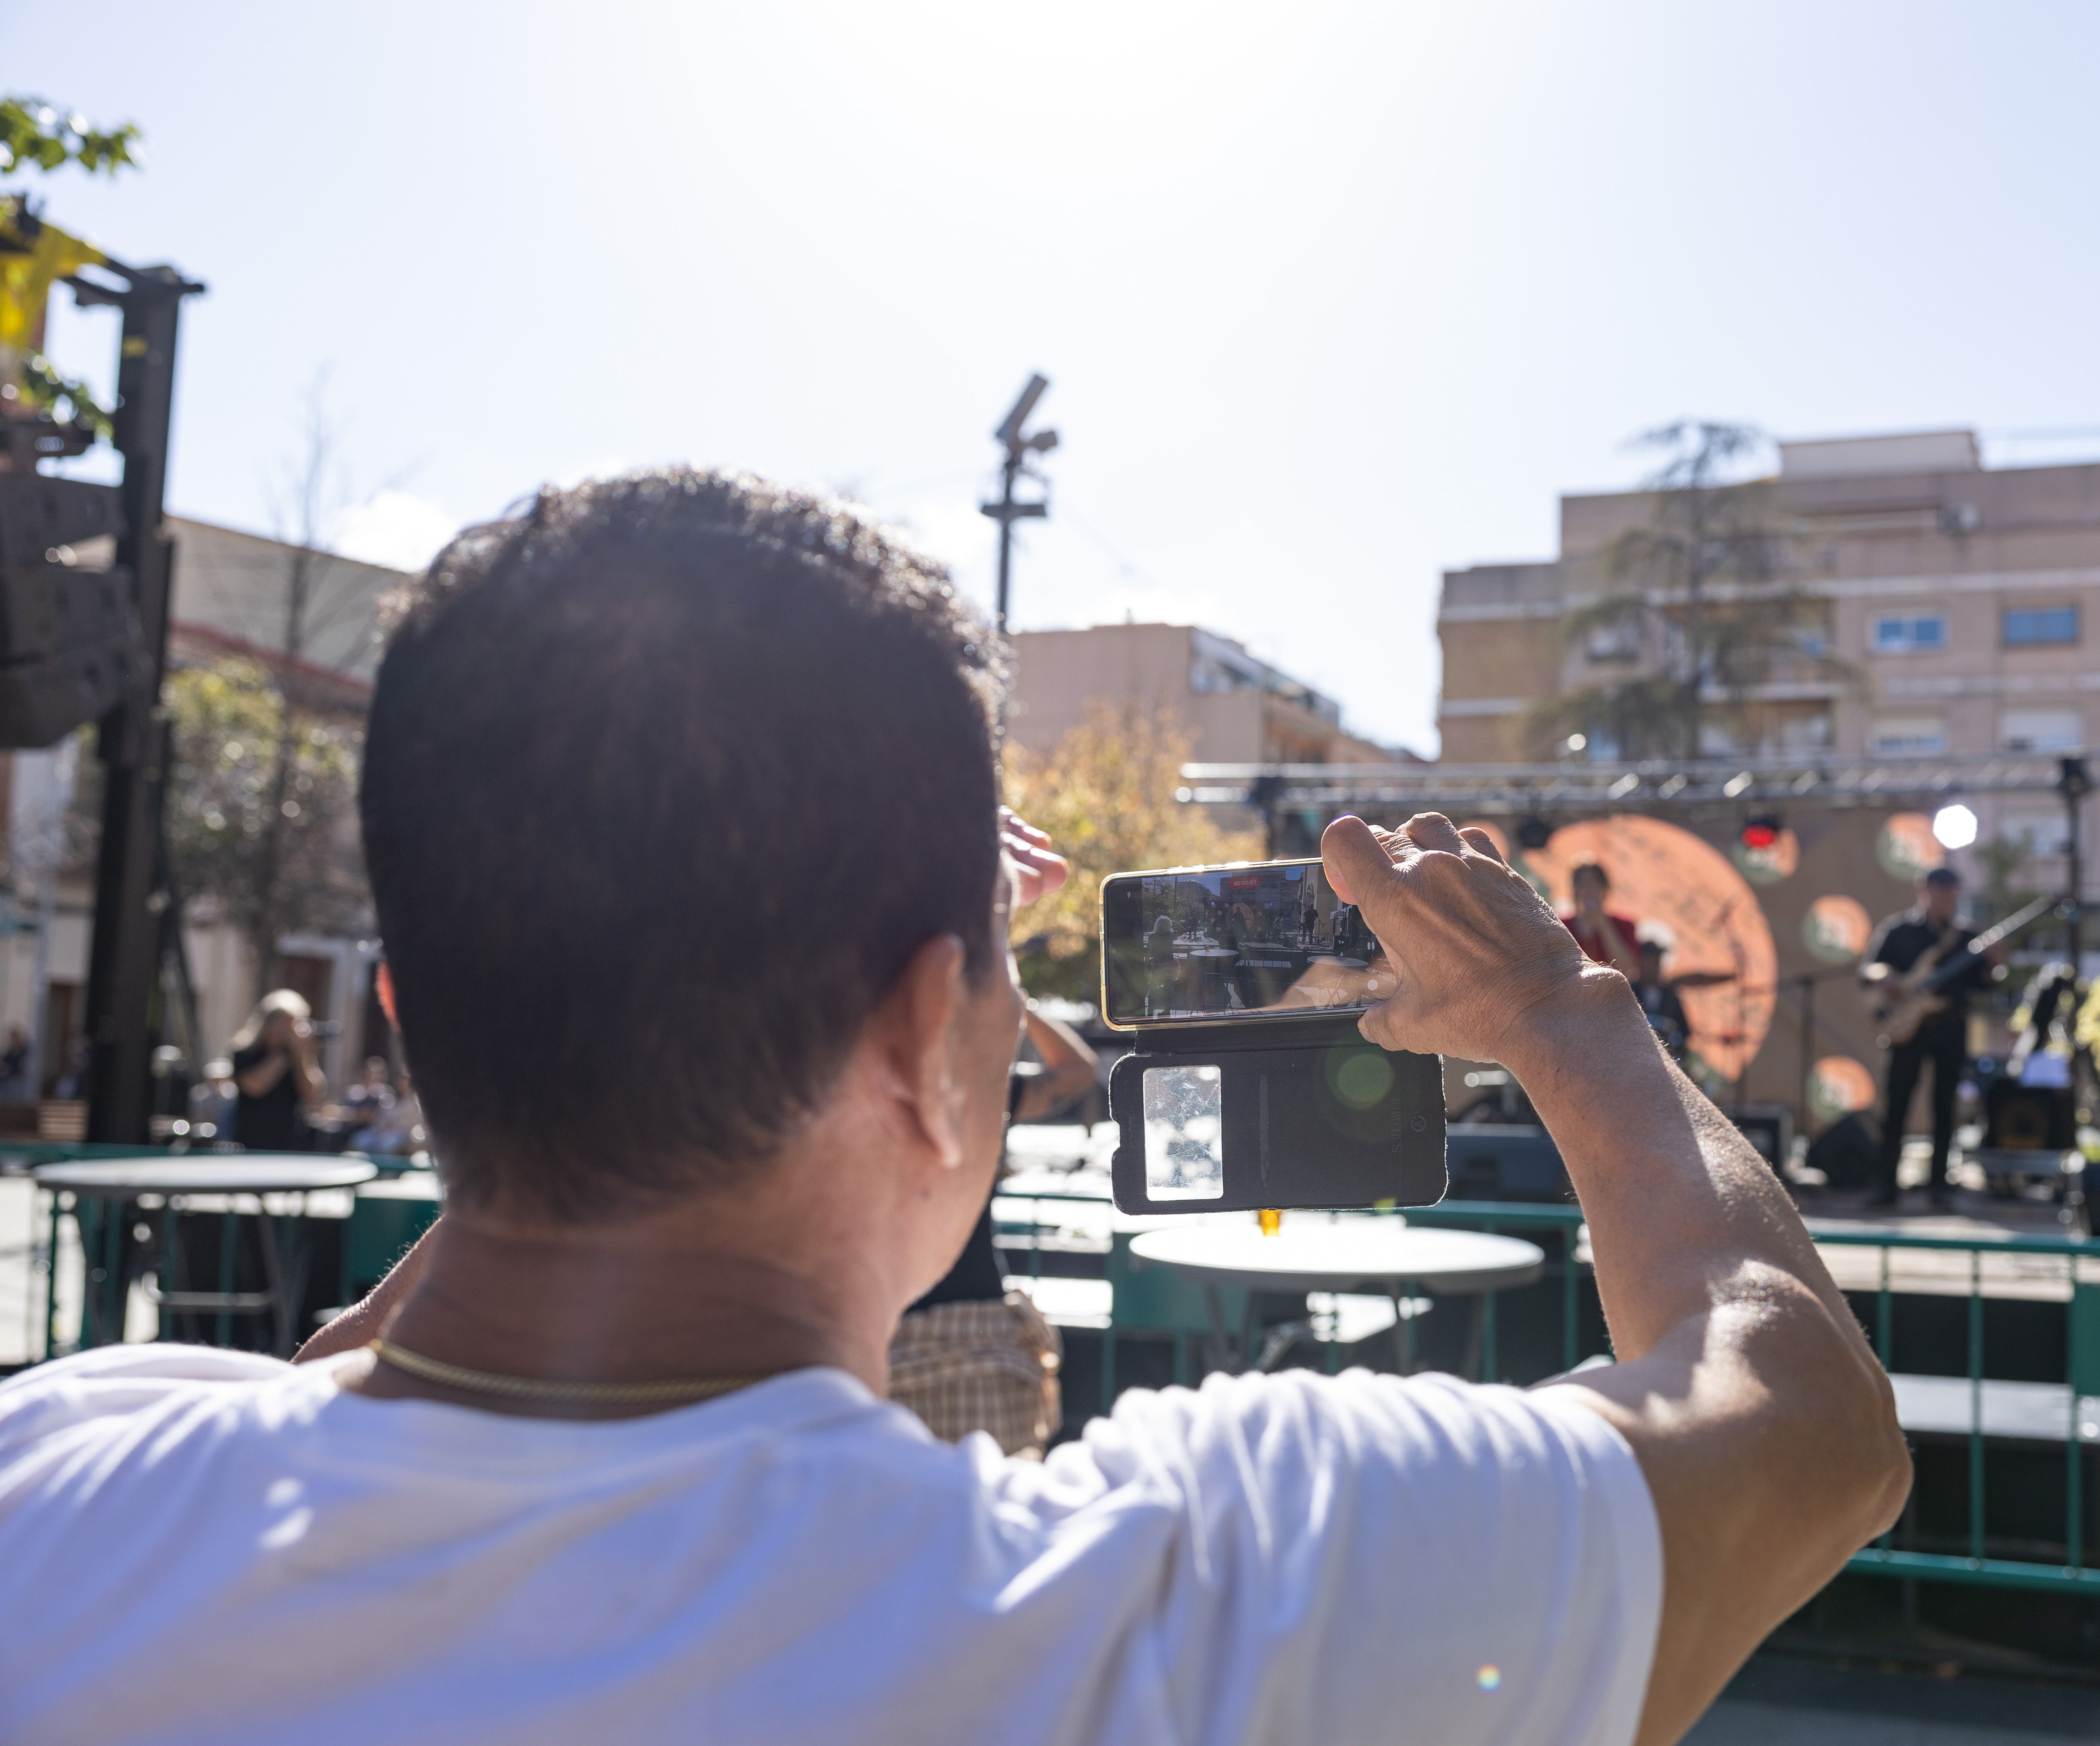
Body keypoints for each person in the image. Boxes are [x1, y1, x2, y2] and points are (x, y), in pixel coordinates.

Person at [0, 472, 1907, 1746]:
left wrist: (568, 1025)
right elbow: (1801, 1420)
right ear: (932, 1033)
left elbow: (332, 1385)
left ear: (411, 1021)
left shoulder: (63, 1476)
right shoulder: (1209, 1599)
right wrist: (1566, 1013)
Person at [887, 972, 1100, 1459]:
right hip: (980, 1326)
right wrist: (1019, 1006)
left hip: (895, 1328)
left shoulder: (863, 1105)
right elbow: (1077, 1069)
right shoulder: (985, 1097)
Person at [1859, 866, 2000, 1209]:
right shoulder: (1899, 931)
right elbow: (1870, 968)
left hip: (1950, 1026)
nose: (1945, 898)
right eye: (1939, 890)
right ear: (1924, 890)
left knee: (1945, 1108)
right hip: (1909, 1029)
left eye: (1950, 892)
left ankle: (1939, 1187)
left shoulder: (1968, 938)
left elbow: (1985, 985)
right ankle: (1887, 1186)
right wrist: (1886, 977)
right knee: (1897, 1105)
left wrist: (1997, 965)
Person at [229, 990, 325, 1151]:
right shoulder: (245, 1054)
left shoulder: (298, 1057)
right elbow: (254, 1087)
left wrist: (302, 1058)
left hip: (289, 1143)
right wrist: (285, 1054)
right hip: (252, 1141)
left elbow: (313, 1095)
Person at [1565, 860, 1643, 978]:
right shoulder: (1562, 925)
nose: (1588, 890)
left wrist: (1604, 926)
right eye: (1582, 884)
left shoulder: (1625, 925)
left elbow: (1627, 966)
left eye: (1594, 884)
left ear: (1604, 888)